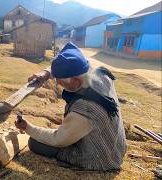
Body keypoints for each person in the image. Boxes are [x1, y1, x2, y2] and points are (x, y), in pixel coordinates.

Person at [14, 42, 127, 171]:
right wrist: (46, 73)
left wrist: (28, 127)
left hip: (100, 159)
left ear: (75, 81)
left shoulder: (85, 109)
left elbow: (58, 139)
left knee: (35, 143)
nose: (58, 84)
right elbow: (69, 61)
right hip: (117, 149)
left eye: (60, 82)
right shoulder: (101, 74)